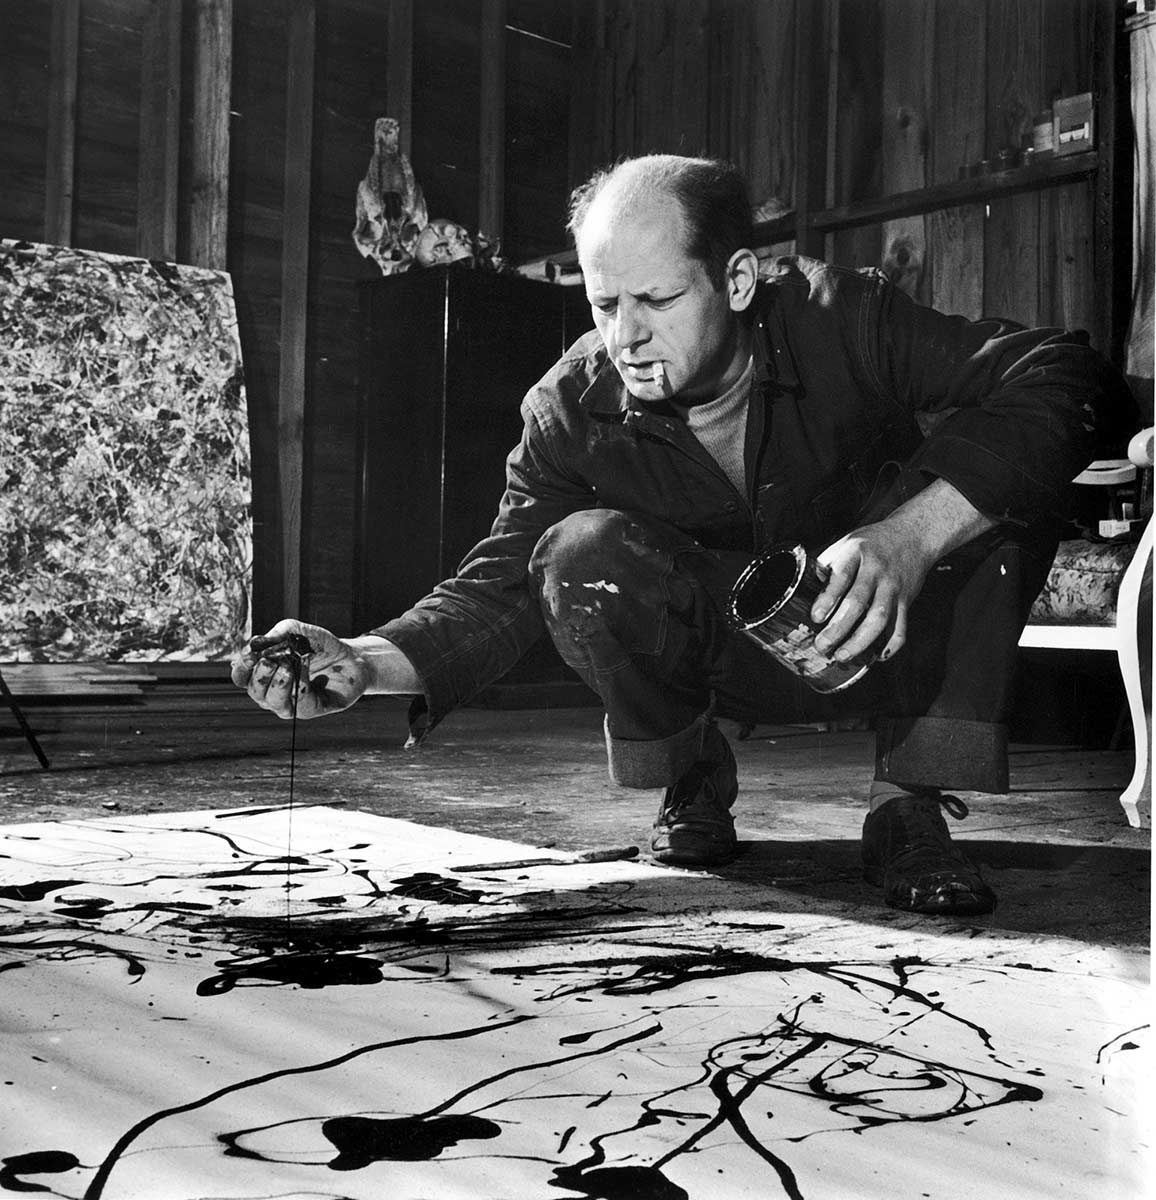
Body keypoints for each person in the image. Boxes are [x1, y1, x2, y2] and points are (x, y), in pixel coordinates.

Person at [232, 154, 1134, 917]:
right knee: (576, 553)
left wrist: (912, 535)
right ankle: (693, 774)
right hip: (728, 658)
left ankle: (906, 804)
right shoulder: (566, 407)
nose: (625, 336)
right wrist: (358, 659)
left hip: (890, 634)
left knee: (999, 487)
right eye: (603, 304)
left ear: (738, 280)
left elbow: (1065, 374)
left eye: (656, 300)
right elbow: (501, 579)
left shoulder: (841, 316)